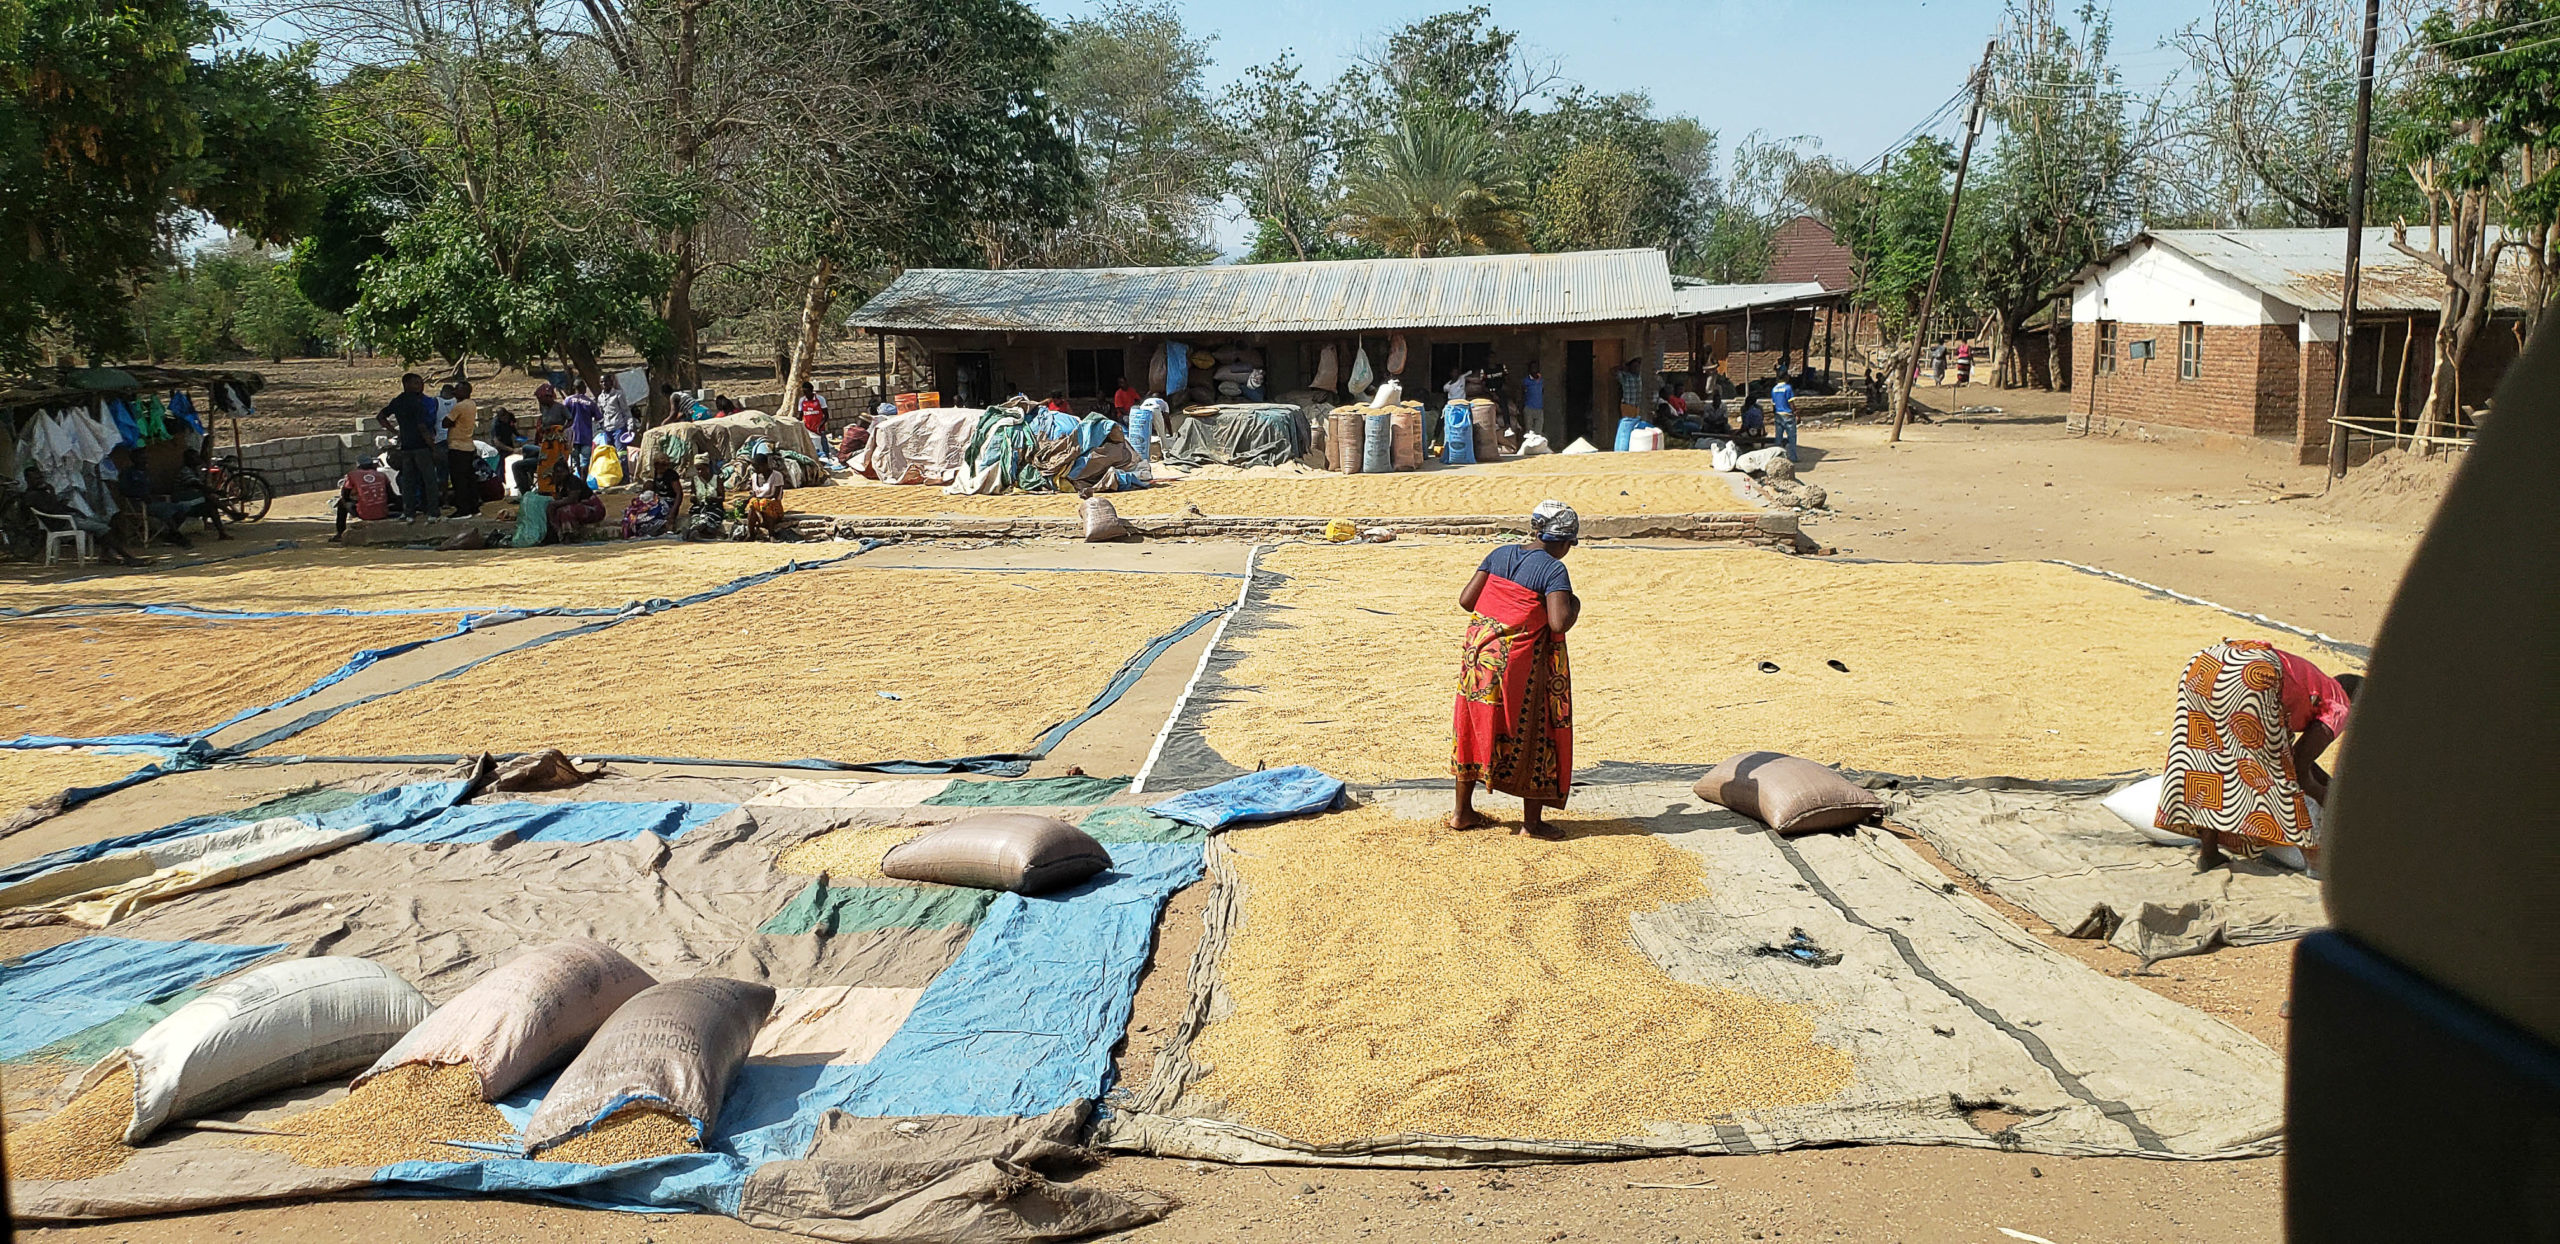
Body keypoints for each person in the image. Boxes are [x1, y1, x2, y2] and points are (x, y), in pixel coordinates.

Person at [2155, 640, 2361, 874]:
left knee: (2209, 761)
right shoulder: (2340, 704)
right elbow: (2297, 770)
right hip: (2253, 673)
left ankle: (2209, 853)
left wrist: (2330, 786)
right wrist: (2337, 807)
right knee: (2277, 774)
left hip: (2206, 664)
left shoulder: (2313, 684)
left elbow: (2301, 758)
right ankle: (2315, 860)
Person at [1451, 501, 1581, 839]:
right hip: (1516, 666)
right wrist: (1575, 603)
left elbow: (1467, 601)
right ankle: (1531, 824)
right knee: (1537, 730)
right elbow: (1558, 622)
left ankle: (1462, 812)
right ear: (1563, 541)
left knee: (1472, 726)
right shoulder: (1553, 571)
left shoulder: (1499, 554)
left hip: (1478, 661)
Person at [23, 466, 143, 565]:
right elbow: (52, 510)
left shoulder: (41, 493)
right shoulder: (32, 495)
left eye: (40, 478)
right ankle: (127, 557)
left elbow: (57, 507)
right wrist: (52, 492)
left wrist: (76, 511)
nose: (40, 481)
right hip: (63, 523)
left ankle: (107, 555)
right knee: (103, 528)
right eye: (36, 479)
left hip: (69, 517)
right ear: (27, 480)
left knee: (107, 521)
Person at [378, 372, 444, 521]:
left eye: (421, 383)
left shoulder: (397, 401)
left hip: (406, 447)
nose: (420, 386)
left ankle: (409, 513)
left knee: (409, 481)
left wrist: (395, 432)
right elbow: (422, 427)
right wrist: (433, 446)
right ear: (407, 384)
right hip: (421, 447)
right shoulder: (417, 403)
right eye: (416, 383)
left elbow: (381, 416)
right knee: (430, 480)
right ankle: (433, 512)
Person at [330, 457, 394, 543]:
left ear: (358, 466)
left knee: (341, 503)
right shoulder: (382, 475)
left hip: (364, 513)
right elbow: (392, 497)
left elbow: (345, 495)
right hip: (382, 512)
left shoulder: (352, 475)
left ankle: (340, 533)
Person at [444, 379, 481, 517]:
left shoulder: (459, 407)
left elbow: (445, 422)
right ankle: (474, 507)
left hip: (457, 446)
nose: (454, 391)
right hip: (468, 446)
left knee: (459, 480)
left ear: (464, 391)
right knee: (469, 478)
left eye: (457, 389)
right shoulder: (472, 404)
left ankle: (463, 509)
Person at [547, 463, 605, 538]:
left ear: (567, 472)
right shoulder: (559, 484)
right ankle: (558, 533)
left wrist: (554, 504)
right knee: (557, 511)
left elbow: (572, 499)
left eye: (561, 472)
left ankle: (570, 535)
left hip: (594, 509)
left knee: (565, 511)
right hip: (580, 507)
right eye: (557, 472)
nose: (559, 474)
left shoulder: (573, 481)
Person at [681, 454, 727, 541]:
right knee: (696, 518)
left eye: (701, 469)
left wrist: (713, 499)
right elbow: (693, 494)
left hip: (714, 507)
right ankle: (696, 531)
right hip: (699, 507)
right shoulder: (695, 480)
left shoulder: (717, 479)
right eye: (697, 469)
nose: (699, 472)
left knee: (710, 519)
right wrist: (693, 498)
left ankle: (697, 532)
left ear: (707, 467)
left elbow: (722, 497)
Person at [742, 450, 787, 540]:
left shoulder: (777, 476)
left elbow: (776, 495)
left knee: (764, 503)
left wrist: (760, 501)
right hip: (759, 509)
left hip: (774, 507)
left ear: (765, 465)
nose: (755, 469)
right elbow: (755, 494)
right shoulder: (754, 477)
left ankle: (771, 534)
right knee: (753, 504)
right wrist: (745, 501)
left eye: (757, 466)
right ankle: (751, 533)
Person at [563, 382, 598, 476]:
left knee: (575, 461)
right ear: (584, 388)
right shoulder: (590, 403)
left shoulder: (568, 400)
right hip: (586, 436)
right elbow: (598, 417)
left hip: (572, 437)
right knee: (585, 462)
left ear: (574, 388)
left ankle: (577, 482)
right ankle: (583, 482)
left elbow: (563, 416)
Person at [1769, 371, 1798, 462]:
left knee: (1778, 437)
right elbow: (1791, 402)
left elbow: (1773, 405)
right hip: (1788, 415)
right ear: (1785, 377)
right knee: (1791, 437)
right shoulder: (1788, 388)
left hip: (1778, 415)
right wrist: (1796, 413)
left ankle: (1777, 457)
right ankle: (1793, 457)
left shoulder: (1774, 389)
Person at [1521, 365, 1545, 437]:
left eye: (1536, 368)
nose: (1535, 370)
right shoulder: (1526, 381)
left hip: (1539, 409)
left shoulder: (1541, 380)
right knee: (1529, 433)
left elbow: (1542, 391)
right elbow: (1522, 393)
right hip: (1529, 408)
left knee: (1538, 433)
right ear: (1529, 370)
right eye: (1533, 368)